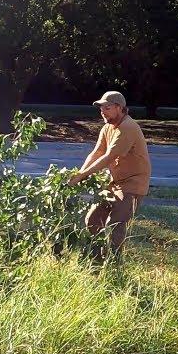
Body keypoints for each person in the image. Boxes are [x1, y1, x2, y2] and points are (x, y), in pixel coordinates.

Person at [67, 90, 151, 259]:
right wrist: (80, 173)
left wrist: (81, 177)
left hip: (132, 184)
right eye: (101, 108)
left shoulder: (127, 127)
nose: (102, 112)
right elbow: (97, 152)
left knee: (115, 224)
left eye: (107, 108)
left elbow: (109, 157)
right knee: (92, 219)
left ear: (120, 108)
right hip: (115, 182)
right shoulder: (108, 127)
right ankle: (96, 259)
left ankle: (113, 263)